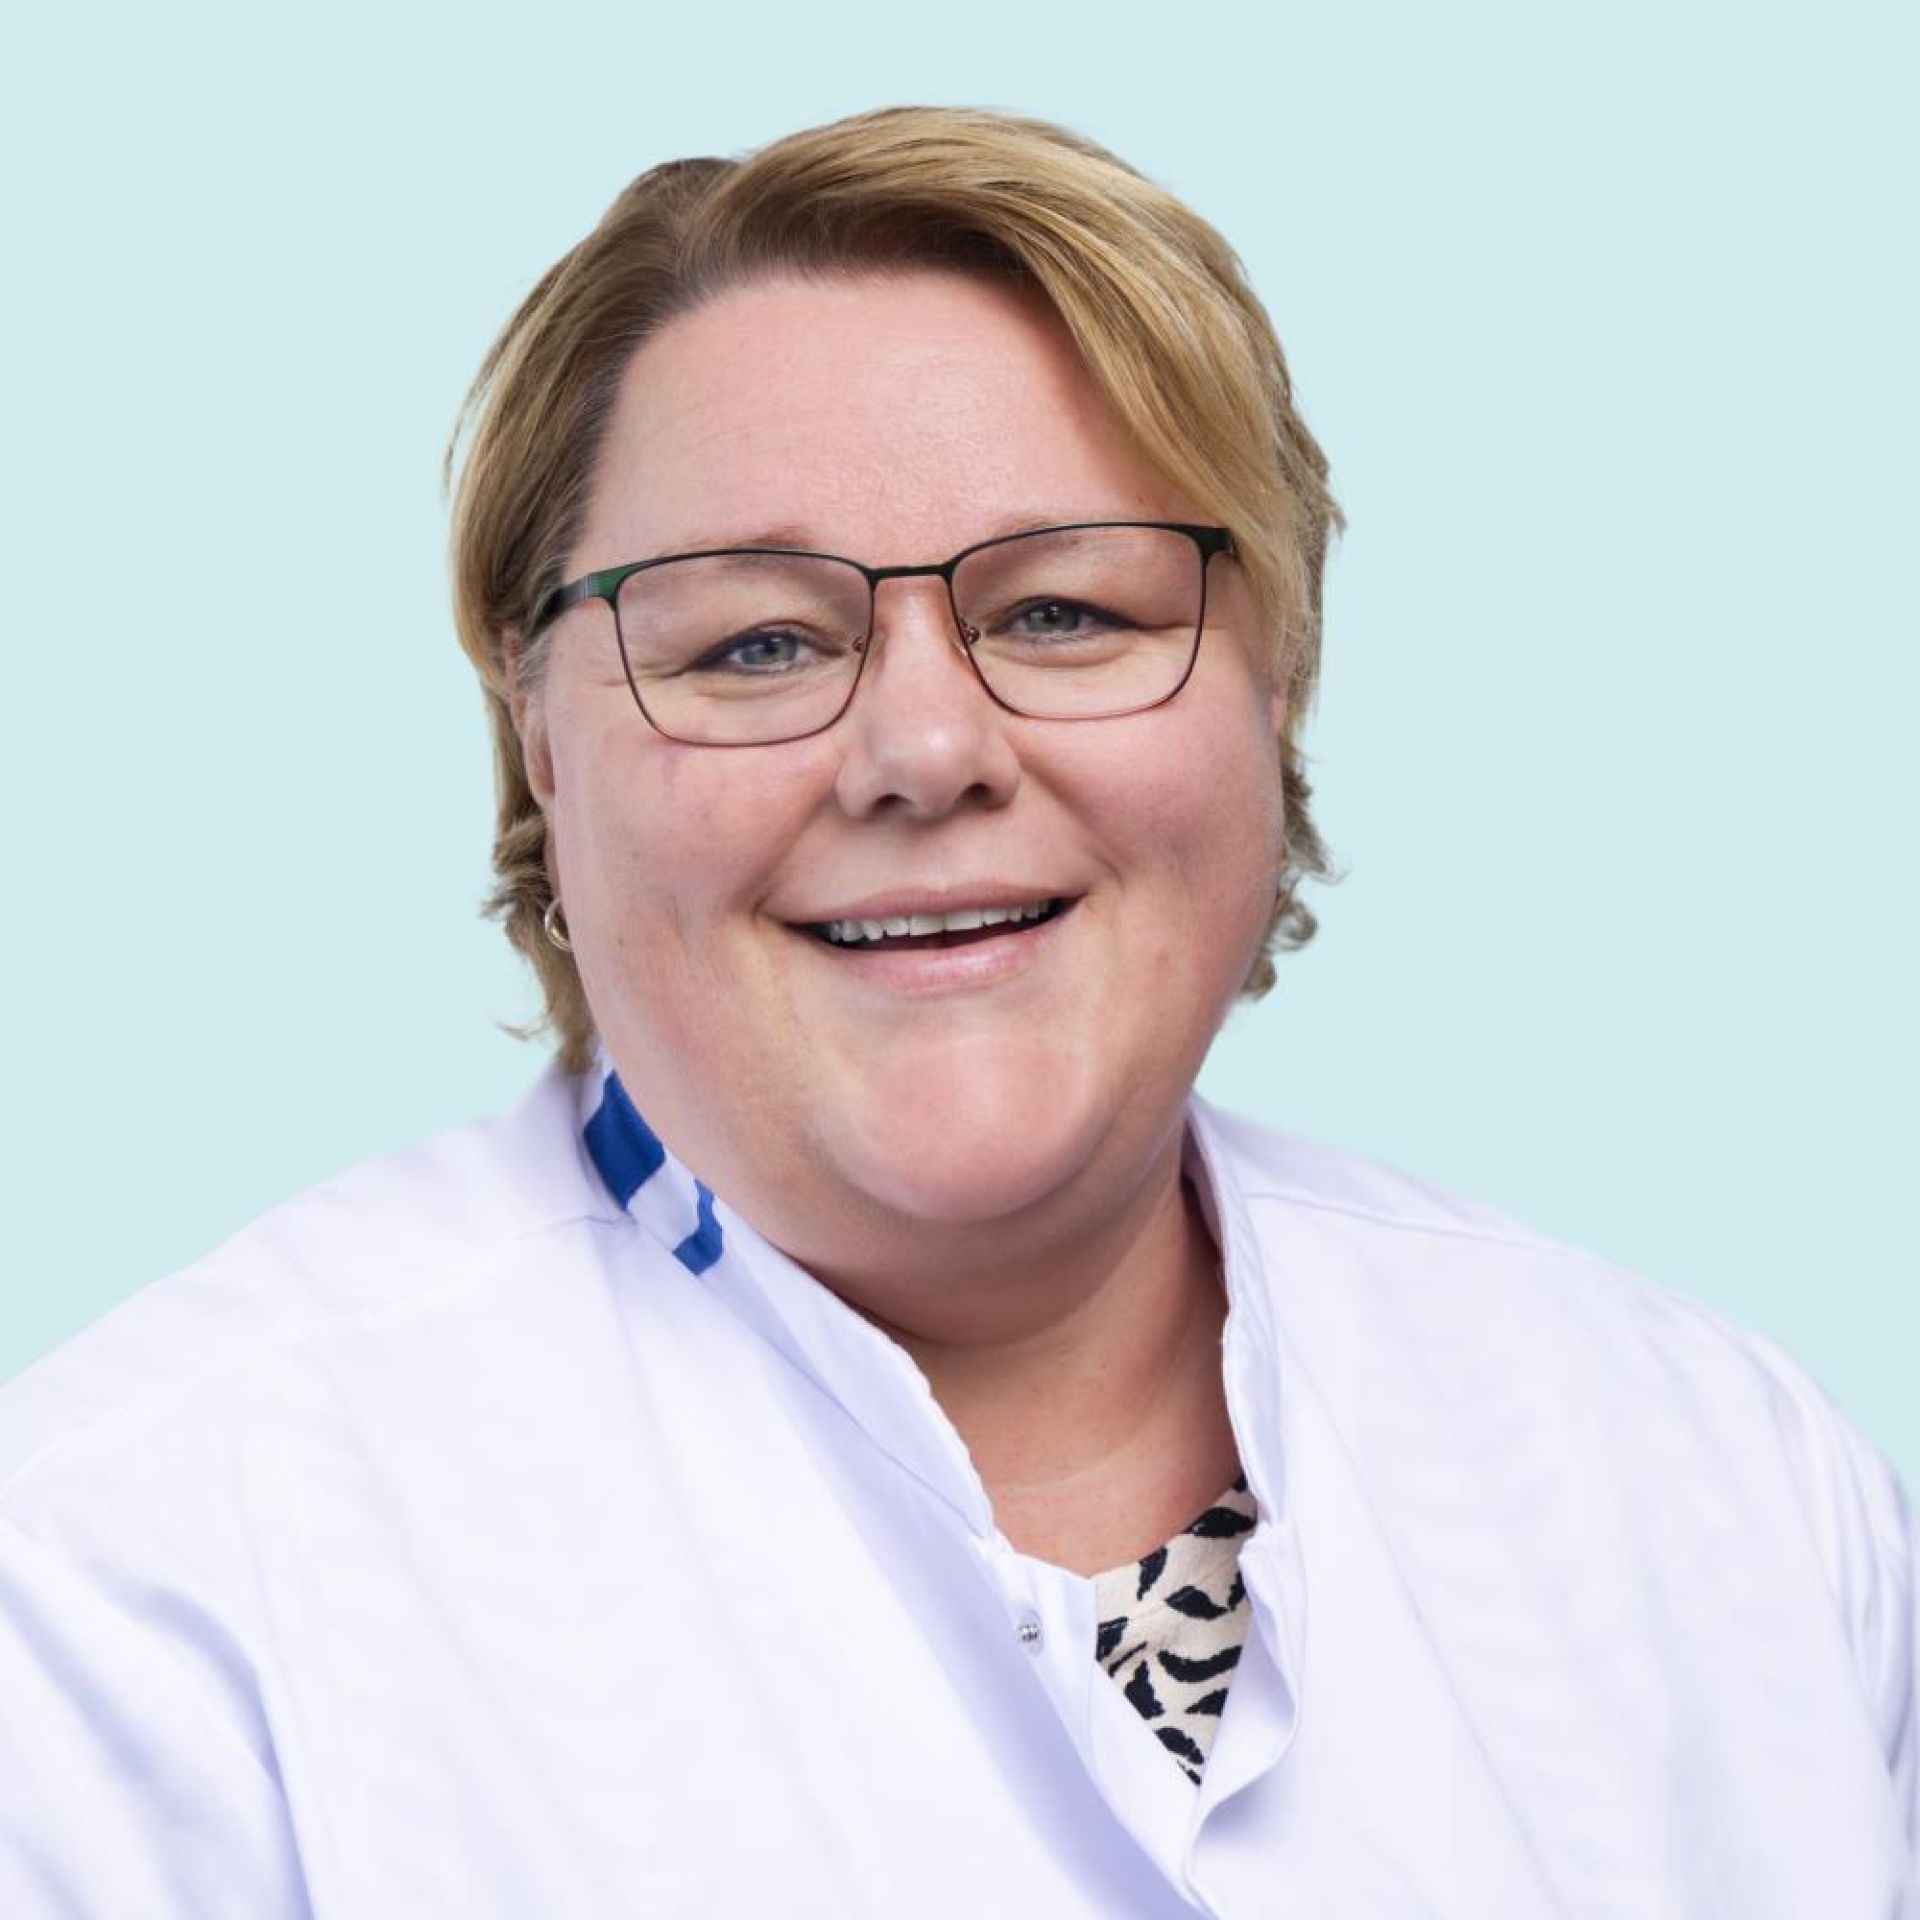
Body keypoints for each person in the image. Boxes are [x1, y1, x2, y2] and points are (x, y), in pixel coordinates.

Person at [0, 104, 1912, 1918]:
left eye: (1065, 613)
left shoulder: (1714, 1474)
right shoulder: (128, 1585)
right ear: (541, 741)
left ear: (1278, 681)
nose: (925, 748)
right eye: (755, 640)